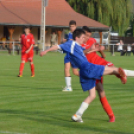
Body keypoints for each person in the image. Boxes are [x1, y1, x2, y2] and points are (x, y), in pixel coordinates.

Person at [40, 29, 128, 123]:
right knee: (112, 69)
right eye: (82, 37)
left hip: (84, 72)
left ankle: (77, 115)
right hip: (87, 67)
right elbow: (57, 46)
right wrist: (46, 51)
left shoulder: (77, 47)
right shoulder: (71, 44)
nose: (84, 39)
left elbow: (84, 52)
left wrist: (92, 49)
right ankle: (121, 76)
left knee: (92, 95)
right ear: (77, 38)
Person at [62, 20, 79, 91]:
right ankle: (68, 87)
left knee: (75, 72)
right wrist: (65, 41)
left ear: (76, 26)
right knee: (66, 69)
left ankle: (90, 78)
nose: (72, 28)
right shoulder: (69, 34)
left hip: (74, 55)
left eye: (73, 26)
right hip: (69, 54)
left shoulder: (77, 34)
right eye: (70, 26)